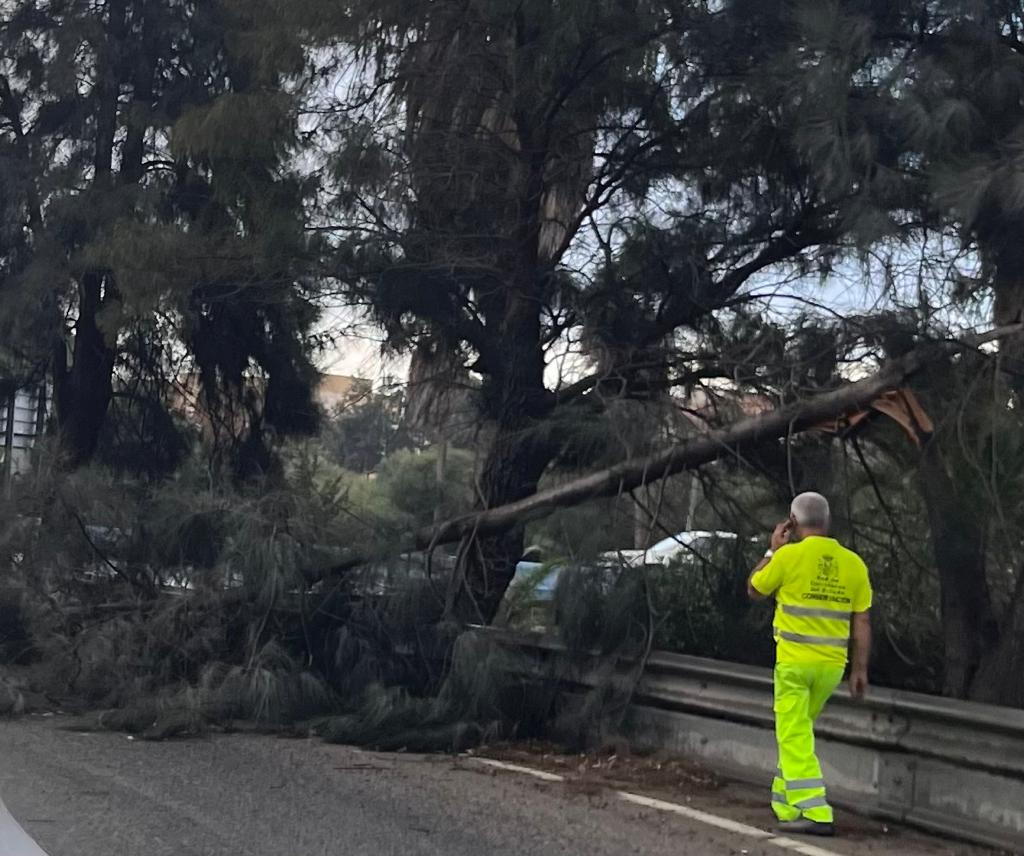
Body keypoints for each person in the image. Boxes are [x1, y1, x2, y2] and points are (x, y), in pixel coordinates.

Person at [747, 491, 872, 837]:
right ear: (827, 521)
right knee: (797, 733)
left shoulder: (787, 557)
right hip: (831, 667)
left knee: (793, 734)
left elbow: (755, 589)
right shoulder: (853, 564)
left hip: (794, 665)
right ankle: (786, 803)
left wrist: (772, 549)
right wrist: (859, 670)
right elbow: (862, 622)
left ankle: (816, 810)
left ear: (792, 522)